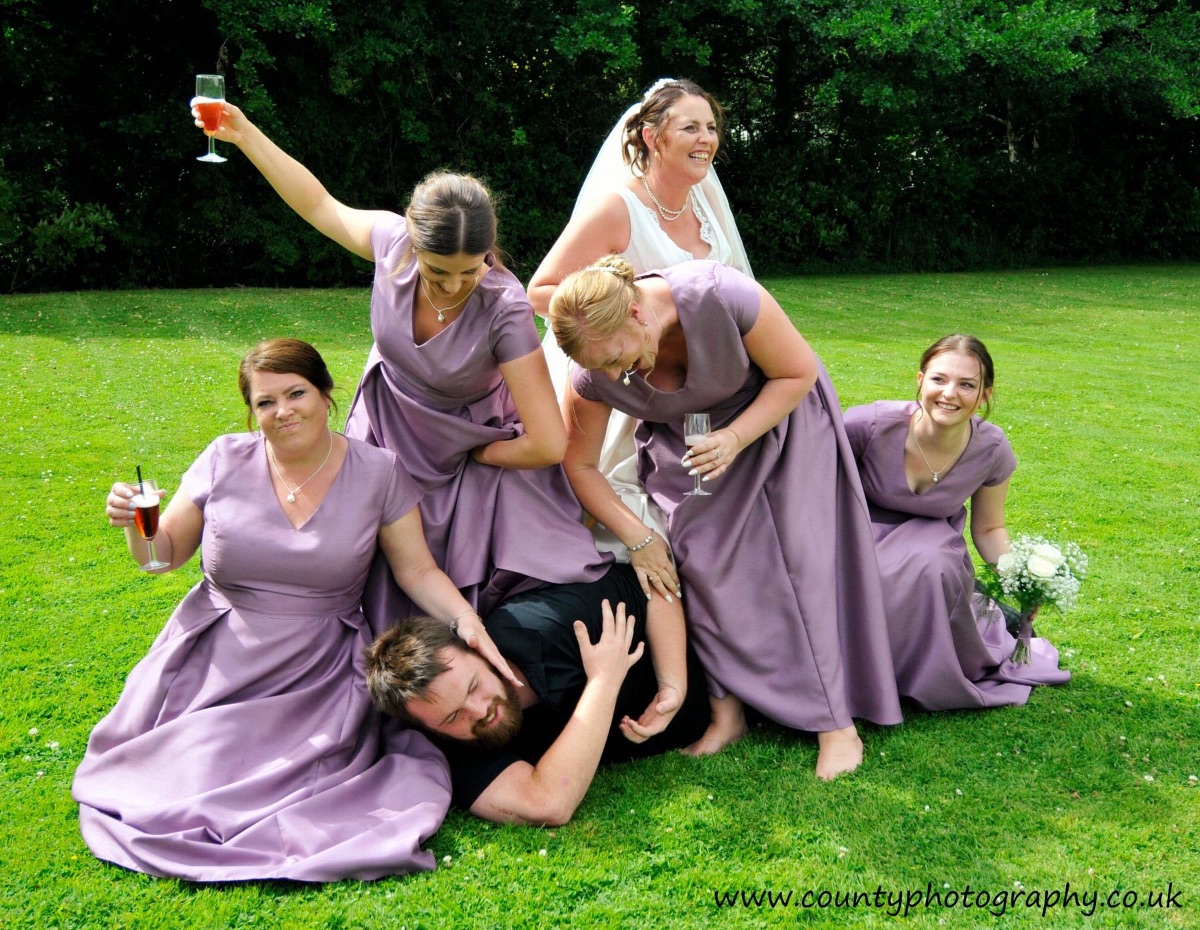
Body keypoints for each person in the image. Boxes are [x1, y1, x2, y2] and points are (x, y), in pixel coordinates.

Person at [72, 339, 518, 883]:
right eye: (265, 402)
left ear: (326, 394)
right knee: (179, 781)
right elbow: (161, 557)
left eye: (295, 393)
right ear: (251, 412)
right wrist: (136, 527)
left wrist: (464, 619)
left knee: (296, 787)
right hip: (216, 655)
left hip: (317, 669)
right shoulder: (223, 458)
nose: (282, 411)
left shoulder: (378, 472)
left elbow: (416, 570)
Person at [189, 102, 610, 628]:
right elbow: (319, 203)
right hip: (381, 431)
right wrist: (246, 135)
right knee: (361, 555)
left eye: (469, 271)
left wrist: (478, 453)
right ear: (413, 243)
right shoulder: (389, 245)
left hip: (456, 459)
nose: (454, 286)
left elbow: (548, 442)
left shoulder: (506, 308)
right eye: (438, 272)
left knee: (428, 577)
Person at [549, 257, 903, 779]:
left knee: (795, 561)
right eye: (598, 367)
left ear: (635, 313)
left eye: (615, 358)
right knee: (700, 564)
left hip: (777, 417)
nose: (610, 376)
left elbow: (797, 372)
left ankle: (835, 724)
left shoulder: (718, 294)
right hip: (690, 443)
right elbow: (578, 465)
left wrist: (736, 437)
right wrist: (639, 536)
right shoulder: (593, 373)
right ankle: (726, 713)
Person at [527, 78, 752, 565]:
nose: (706, 139)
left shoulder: (706, 202)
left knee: (713, 510)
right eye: (690, 127)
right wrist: (618, 320)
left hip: (699, 385)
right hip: (628, 381)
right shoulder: (617, 207)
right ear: (653, 137)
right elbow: (541, 291)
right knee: (631, 508)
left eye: (711, 127)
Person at [364, 564, 711, 825]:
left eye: (474, 686)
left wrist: (672, 684)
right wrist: (603, 680)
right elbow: (546, 805)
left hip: (725, 677)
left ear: (479, 649)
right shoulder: (448, 745)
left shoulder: (547, 624)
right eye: (454, 717)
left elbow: (652, 580)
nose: (479, 710)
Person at [843, 335, 1070, 710]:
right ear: (920, 380)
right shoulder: (866, 425)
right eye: (939, 379)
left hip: (931, 541)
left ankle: (909, 678)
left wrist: (1019, 578)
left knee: (932, 561)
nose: (950, 393)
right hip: (857, 531)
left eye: (966, 384)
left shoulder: (991, 449)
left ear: (984, 395)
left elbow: (989, 528)